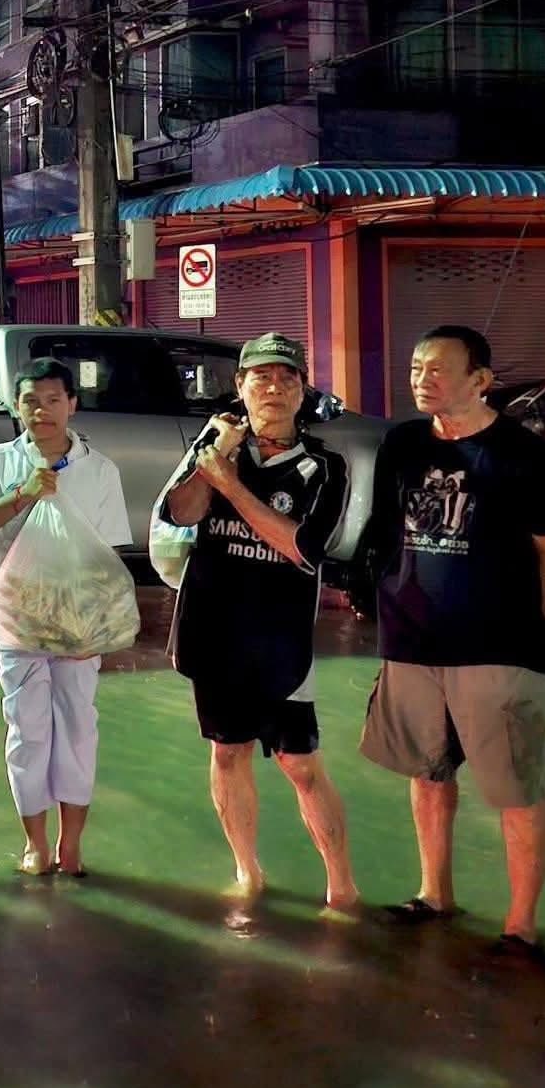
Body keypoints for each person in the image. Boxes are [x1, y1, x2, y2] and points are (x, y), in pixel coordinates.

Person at [359, 324, 545, 954]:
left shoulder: (530, 458)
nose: (423, 378)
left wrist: (536, 623)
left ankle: (520, 926)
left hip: (497, 646)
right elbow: (386, 532)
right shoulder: (400, 444)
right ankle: (434, 894)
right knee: (427, 773)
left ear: (481, 380)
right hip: (413, 643)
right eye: (418, 367)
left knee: (517, 787)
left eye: (440, 369)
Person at [163, 334, 359, 909]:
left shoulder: (325, 466)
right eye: (260, 378)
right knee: (227, 752)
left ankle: (342, 885)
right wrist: (217, 460)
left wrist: (233, 487)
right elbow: (181, 513)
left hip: (280, 641)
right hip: (214, 632)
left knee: (300, 763)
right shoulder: (214, 446)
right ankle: (248, 872)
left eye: (286, 379)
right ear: (240, 387)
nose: (273, 388)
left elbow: (303, 548)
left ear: (302, 391)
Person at [0, 358, 133, 877]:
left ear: (72, 405)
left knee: (79, 725)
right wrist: (22, 496)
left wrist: (99, 629)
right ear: (16, 407)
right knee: (26, 728)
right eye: (30, 401)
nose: (41, 410)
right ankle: (35, 843)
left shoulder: (99, 469)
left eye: (52, 399)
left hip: (79, 623)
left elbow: (108, 558)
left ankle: (72, 844)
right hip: (17, 618)